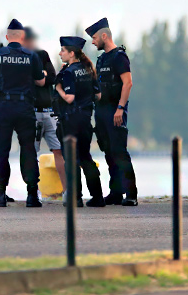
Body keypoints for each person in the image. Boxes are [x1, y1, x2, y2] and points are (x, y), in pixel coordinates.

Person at [0, 19, 45, 207]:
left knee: (1, 151)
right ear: (23, 37)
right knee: (28, 150)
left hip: (3, 107)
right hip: (25, 108)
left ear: (7, 37)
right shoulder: (31, 56)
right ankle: (32, 195)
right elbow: (41, 81)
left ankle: (0, 194)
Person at [85, 17, 138, 206]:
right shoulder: (101, 59)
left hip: (116, 110)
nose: (92, 41)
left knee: (119, 152)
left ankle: (131, 194)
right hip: (101, 111)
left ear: (104, 35)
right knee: (108, 153)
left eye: (94, 37)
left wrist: (120, 108)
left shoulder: (119, 57)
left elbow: (128, 83)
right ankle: (116, 192)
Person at [54, 36, 105, 207]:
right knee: (85, 157)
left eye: (63, 50)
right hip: (85, 120)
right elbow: (98, 95)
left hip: (71, 121)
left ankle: (76, 198)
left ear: (71, 53)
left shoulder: (68, 72)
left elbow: (69, 98)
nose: (60, 53)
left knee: (71, 159)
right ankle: (97, 196)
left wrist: (59, 88)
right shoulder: (88, 68)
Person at [22, 26, 66, 194]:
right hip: (31, 112)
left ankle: (66, 189)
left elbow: (53, 77)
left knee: (58, 150)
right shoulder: (21, 59)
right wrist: (40, 76)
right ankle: (34, 191)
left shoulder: (42, 54)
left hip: (49, 111)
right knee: (32, 152)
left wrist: (40, 76)